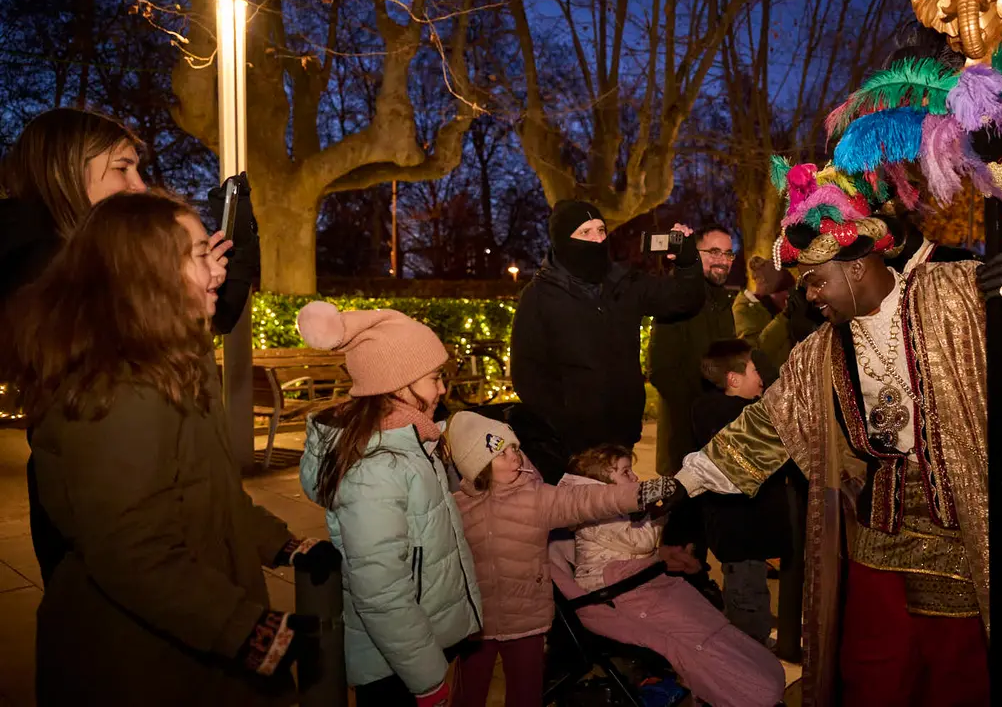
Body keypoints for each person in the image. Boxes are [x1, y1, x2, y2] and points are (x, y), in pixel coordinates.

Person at [671, 159, 1002, 706]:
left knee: (957, 667)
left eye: (817, 282)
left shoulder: (956, 290)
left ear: (858, 264)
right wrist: (683, 485)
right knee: (872, 665)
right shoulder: (820, 349)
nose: (810, 297)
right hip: (878, 524)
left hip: (965, 518)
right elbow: (764, 427)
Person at [1, 192, 338, 705]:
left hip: (188, 641)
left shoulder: (176, 360)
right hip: (138, 661)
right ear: (145, 271)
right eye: (201, 253)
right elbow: (132, 548)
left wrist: (284, 545)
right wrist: (249, 630)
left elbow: (207, 491)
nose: (219, 271)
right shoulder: (115, 386)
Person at [0, 107, 258, 584]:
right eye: (121, 168)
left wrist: (219, 273)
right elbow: (131, 548)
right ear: (63, 171)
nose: (138, 184)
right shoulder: (49, 269)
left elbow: (191, 331)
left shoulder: (81, 261)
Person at [295, 302, 479, 707]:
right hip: (396, 668)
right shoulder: (375, 469)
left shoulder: (412, 440)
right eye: (434, 378)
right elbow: (382, 594)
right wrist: (429, 681)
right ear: (397, 384)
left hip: (415, 649)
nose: (443, 389)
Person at [445, 411, 679, 707]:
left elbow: (587, 500)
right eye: (501, 454)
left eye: (515, 448)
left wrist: (639, 493)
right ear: (476, 464)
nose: (515, 458)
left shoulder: (537, 497)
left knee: (526, 694)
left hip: (526, 621)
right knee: (467, 695)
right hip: (476, 623)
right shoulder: (456, 507)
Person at [560, 446, 786, 707]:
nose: (634, 477)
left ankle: (751, 681)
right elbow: (642, 542)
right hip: (614, 589)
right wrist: (658, 510)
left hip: (636, 581)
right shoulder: (595, 513)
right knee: (692, 636)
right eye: (625, 472)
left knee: (705, 622)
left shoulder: (610, 510)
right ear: (602, 484)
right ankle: (742, 691)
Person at [510, 201, 704, 456]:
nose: (597, 240)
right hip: (570, 445)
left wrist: (687, 261)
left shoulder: (624, 282)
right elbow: (527, 374)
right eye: (585, 233)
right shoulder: (538, 297)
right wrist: (564, 423)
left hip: (622, 434)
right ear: (561, 240)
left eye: (601, 230)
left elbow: (683, 300)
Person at [679, 339, 792, 646]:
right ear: (733, 379)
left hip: (741, 534)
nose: (762, 377)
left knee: (749, 591)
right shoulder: (740, 421)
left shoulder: (712, 410)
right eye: (755, 370)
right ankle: (747, 656)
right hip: (741, 534)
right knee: (747, 600)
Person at [649, 226, 738, 475]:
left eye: (729, 254)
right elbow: (660, 370)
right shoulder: (676, 296)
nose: (723, 260)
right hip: (684, 445)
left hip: (717, 440)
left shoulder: (722, 302)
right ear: (695, 253)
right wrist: (699, 412)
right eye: (714, 251)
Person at [733, 256, 796, 383]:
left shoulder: (773, 308)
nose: (788, 298)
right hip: (763, 384)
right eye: (786, 293)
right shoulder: (745, 308)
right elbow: (756, 351)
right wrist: (784, 317)